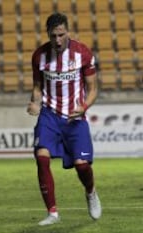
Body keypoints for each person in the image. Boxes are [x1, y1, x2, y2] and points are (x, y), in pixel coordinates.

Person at [27, 12, 101, 225]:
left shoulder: (82, 53)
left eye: (61, 35)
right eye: (53, 36)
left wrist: (84, 106)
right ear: (47, 35)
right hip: (49, 115)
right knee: (41, 157)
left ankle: (90, 192)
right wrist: (34, 102)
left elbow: (93, 88)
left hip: (74, 117)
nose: (58, 40)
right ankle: (52, 212)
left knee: (82, 166)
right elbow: (37, 87)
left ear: (68, 31)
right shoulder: (39, 56)